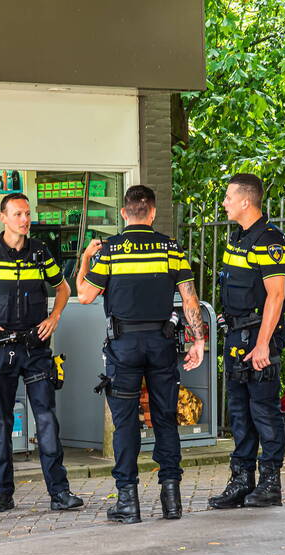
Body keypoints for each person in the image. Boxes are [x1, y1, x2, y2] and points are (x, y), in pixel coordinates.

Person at [76, 185, 206, 524]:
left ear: (124, 213)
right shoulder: (170, 248)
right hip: (161, 344)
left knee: (125, 424)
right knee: (165, 419)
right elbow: (190, 300)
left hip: (123, 347)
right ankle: (172, 499)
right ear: (152, 213)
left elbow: (86, 296)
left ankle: (128, 503)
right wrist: (199, 342)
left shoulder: (112, 250)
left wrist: (85, 259)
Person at [0, 192, 83, 514]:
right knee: (2, 423)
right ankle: (2, 495)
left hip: (35, 348)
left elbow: (63, 288)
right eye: (18, 214)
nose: (24, 220)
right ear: (4, 218)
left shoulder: (40, 252)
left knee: (47, 419)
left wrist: (54, 317)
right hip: (0, 349)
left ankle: (60, 493)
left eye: (27, 214)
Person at [208, 173, 285, 509]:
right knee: (240, 412)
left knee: (264, 412)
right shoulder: (237, 238)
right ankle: (242, 481)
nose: (224, 202)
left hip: (260, 338)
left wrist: (262, 346)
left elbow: (276, 295)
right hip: (236, 336)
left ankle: (270, 484)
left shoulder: (270, 240)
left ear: (245, 201)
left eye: (228, 197)